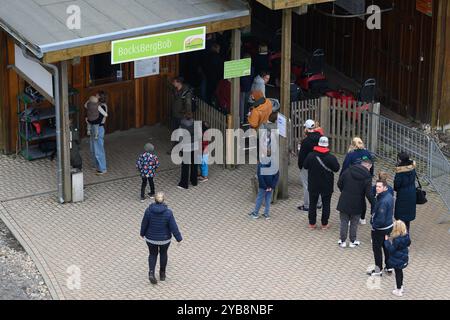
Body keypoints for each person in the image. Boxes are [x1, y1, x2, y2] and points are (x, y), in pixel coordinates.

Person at [140, 192, 182, 284]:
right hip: (164, 239)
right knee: (163, 254)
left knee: (152, 254)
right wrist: (178, 238)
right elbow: (173, 226)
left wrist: (142, 233)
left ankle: (151, 272)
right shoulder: (168, 213)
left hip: (151, 238)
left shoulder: (148, 211)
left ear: (154, 200)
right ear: (164, 200)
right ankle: (162, 274)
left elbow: (144, 224)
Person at [303, 137, 340, 229]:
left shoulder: (311, 155)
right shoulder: (331, 157)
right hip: (327, 184)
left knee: (312, 204)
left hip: (313, 184)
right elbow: (336, 169)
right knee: (326, 204)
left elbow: (305, 166)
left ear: (318, 144)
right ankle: (324, 224)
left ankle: (312, 223)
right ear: (327, 145)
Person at [337, 159, 375, 248]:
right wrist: (374, 203)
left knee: (344, 221)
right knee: (354, 223)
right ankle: (352, 241)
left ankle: (342, 241)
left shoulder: (348, 170)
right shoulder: (367, 177)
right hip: (358, 202)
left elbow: (339, 183)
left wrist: (344, 191)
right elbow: (368, 194)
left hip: (344, 200)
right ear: (368, 166)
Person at [340, 137, 374, 224]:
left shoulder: (350, 155)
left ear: (352, 144)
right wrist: (370, 176)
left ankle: (349, 218)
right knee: (362, 198)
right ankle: (362, 218)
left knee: (350, 198)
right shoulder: (367, 152)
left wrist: (342, 178)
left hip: (352, 179)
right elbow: (372, 165)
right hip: (365, 179)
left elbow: (345, 167)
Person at [367, 180, 394, 276]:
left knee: (377, 249)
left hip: (380, 229)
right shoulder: (389, 196)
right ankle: (389, 266)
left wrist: (374, 225)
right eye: (376, 186)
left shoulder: (383, 201)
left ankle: (378, 269)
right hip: (388, 226)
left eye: (379, 187)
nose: (377, 188)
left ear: (385, 187)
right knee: (386, 246)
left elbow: (380, 219)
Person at [297, 119, 322, 212]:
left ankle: (307, 205)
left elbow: (302, 156)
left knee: (307, 185)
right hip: (318, 164)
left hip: (307, 166)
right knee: (317, 183)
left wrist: (300, 165)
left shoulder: (306, 141)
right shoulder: (320, 138)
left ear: (306, 129)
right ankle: (319, 203)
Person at [384, 220, 411, 297]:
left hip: (397, 260)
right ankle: (401, 286)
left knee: (398, 274)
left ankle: (398, 290)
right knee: (400, 272)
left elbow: (391, 249)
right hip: (403, 258)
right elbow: (409, 243)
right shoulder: (406, 236)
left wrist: (387, 241)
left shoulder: (397, 240)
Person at [249, 155, 280, 221]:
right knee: (268, 199)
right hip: (270, 186)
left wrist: (265, 187)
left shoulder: (260, 165)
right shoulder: (274, 165)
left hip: (263, 186)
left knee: (259, 198)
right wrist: (272, 186)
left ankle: (255, 213)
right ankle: (266, 214)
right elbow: (276, 176)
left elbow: (260, 178)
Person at [394, 152, 417, 233]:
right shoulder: (412, 168)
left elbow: (397, 184)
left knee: (400, 216)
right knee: (408, 216)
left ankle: (401, 233)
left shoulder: (400, 172)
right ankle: (407, 233)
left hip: (403, 194)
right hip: (412, 193)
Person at [178, 112, 199, 189]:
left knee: (185, 166)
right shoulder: (196, 125)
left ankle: (184, 184)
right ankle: (194, 181)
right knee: (194, 165)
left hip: (186, 147)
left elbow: (180, 137)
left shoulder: (182, 126)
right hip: (195, 146)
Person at [88, 91, 108, 175]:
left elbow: (98, 120)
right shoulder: (96, 105)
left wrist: (88, 120)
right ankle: (96, 165)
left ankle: (102, 168)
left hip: (98, 128)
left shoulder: (102, 106)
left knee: (98, 149)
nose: (94, 96)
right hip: (94, 127)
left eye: (96, 95)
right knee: (93, 148)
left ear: (99, 97)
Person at [170, 77, 192, 151]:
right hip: (175, 114)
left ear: (179, 82)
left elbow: (188, 104)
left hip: (182, 115)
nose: (173, 83)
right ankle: (175, 148)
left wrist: (188, 114)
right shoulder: (175, 90)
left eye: (174, 82)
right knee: (175, 132)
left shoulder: (186, 92)